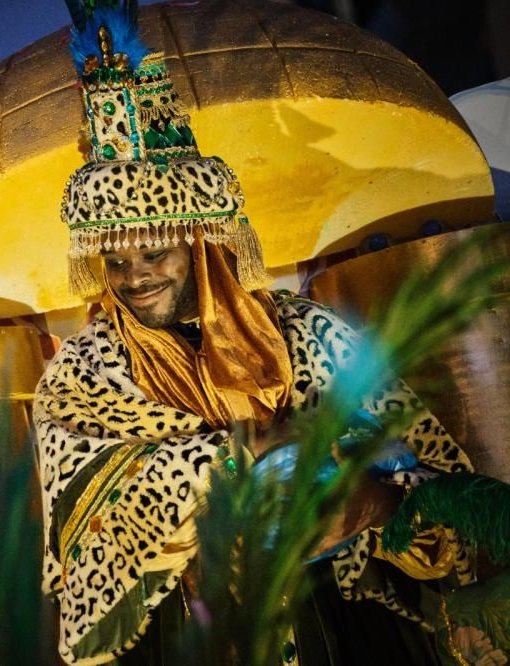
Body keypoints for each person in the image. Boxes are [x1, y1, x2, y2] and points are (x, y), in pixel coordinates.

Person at [34, 5, 479, 664]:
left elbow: (436, 484)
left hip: (350, 630)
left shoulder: (309, 334)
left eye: (155, 251)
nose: (134, 277)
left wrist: (373, 499)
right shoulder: (81, 376)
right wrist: (239, 461)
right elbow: (89, 544)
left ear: (203, 242)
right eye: (116, 259)